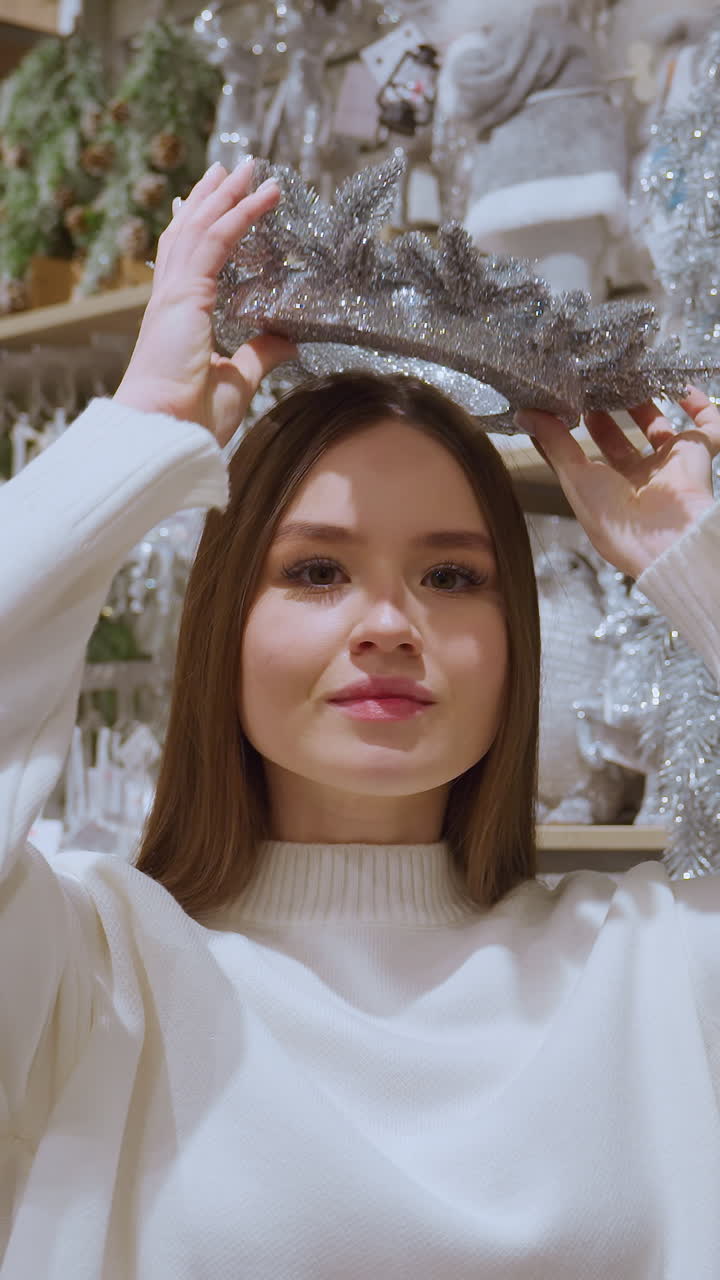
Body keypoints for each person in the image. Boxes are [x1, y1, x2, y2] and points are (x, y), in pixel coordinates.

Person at [1, 159, 720, 1279]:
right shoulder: (89, 973)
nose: (387, 623)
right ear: (224, 620)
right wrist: (134, 438)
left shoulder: (652, 969)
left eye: (451, 577)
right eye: (318, 569)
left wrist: (691, 555)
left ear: (518, 640)